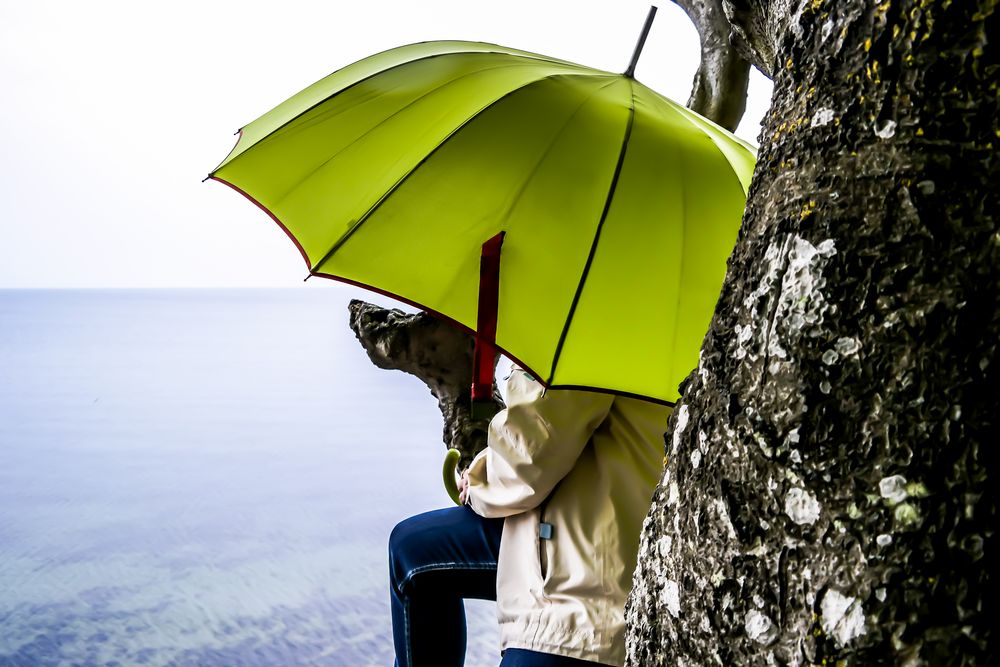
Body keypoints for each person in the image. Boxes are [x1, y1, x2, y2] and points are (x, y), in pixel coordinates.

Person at [388, 366, 672, 666]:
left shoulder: (585, 333)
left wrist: (479, 479)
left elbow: (531, 455)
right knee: (412, 551)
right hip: (614, 523)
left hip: (583, 584)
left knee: (413, 553)